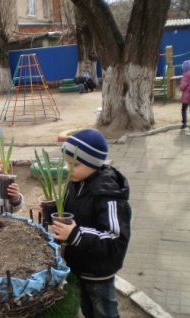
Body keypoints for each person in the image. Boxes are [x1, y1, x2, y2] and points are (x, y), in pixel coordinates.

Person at [51, 129, 131, 318]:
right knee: (88, 310)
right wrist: (52, 209)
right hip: (79, 266)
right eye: (66, 163)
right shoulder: (76, 183)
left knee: (104, 312)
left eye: (74, 164)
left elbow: (115, 239)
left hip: (98, 273)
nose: (68, 169)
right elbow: (71, 213)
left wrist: (75, 235)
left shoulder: (109, 196)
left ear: (93, 163)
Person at [179, 60, 190, 129]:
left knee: (184, 109)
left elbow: (182, 86)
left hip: (186, 95)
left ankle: (184, 123)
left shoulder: (185, 75)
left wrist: (181, 89)